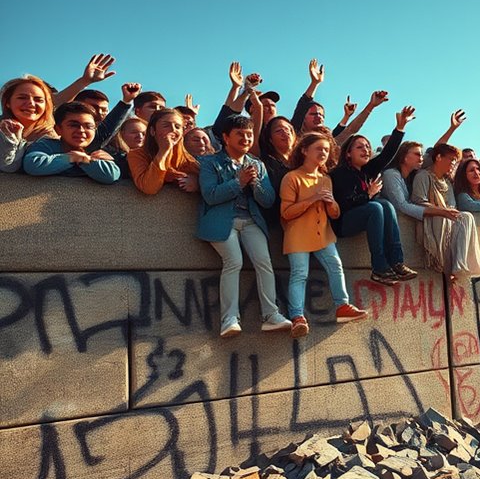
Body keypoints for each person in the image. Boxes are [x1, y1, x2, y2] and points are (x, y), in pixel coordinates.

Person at [196, 114, 291, 338]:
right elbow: (210, 195)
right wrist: (238, 182)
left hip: (251, 220)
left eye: (249, 135)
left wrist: (255, 182)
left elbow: (268, 200)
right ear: (226, 137)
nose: (246, 138)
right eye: (240, 134)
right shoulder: (210, 162)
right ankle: (229, 319)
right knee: (234, 261)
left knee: (264, 262)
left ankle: (271, 315)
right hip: (222, 221)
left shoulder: (257, 164)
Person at [280, 131, 369, 337]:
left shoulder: (326, 179)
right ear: (304, 150)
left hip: (324, 235)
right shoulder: (292, 177)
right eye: (319, 148)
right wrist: (312, 200)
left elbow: (334, 213)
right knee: (299, 274)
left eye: (327, 150)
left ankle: (342, 306)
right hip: (298, 235)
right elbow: (286, 213)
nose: (324, 153)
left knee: (336, 267)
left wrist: (330, 202)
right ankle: (297, 316)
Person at [330, 95, 418, 286]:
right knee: (376, 206)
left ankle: (397, 262)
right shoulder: (340, 173)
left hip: (365, 214)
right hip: (343, 223)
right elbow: (344, 204)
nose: (366, 149)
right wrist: (367, 195)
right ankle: (379, 268)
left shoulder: (368, 170)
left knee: (385, 204)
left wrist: (400, 127)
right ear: (348, 153)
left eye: (368, 147)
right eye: (359, 147)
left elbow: (387, 154)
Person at [411, 143, 480, 281]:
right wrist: (442, 210)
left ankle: (460, 265)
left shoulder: (447, 182)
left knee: (466, 217)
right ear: (439, 157)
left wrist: (448, 211)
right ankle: (444, 263)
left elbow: (452, 205)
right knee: (443, 216)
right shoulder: (423, 176)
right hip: (430, 220)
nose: (453, 164)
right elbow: (418, 202)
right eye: (451, 159)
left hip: (447, 218)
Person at [22, 100, 123, 184]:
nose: (81, 130)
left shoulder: (97, 153)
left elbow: (111, 175)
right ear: (58, 129)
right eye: (74, 125)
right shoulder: (46, 145)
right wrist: (71, 158)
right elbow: (32, 164)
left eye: (89, 127)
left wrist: (85, 159)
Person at [127, 108, 200, 194]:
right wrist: (163, 152)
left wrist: (197, 182)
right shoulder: (136, 154)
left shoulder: (187, 158)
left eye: (177, 127)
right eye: (166, 125)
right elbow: (149, 188)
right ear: (152, 131)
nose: (173, 130)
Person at [1, 75, 57, 173]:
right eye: (22, 98)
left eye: (38, 100)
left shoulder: (53, 138)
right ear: (7, 103)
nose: (31, 103)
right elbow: (7, 167)